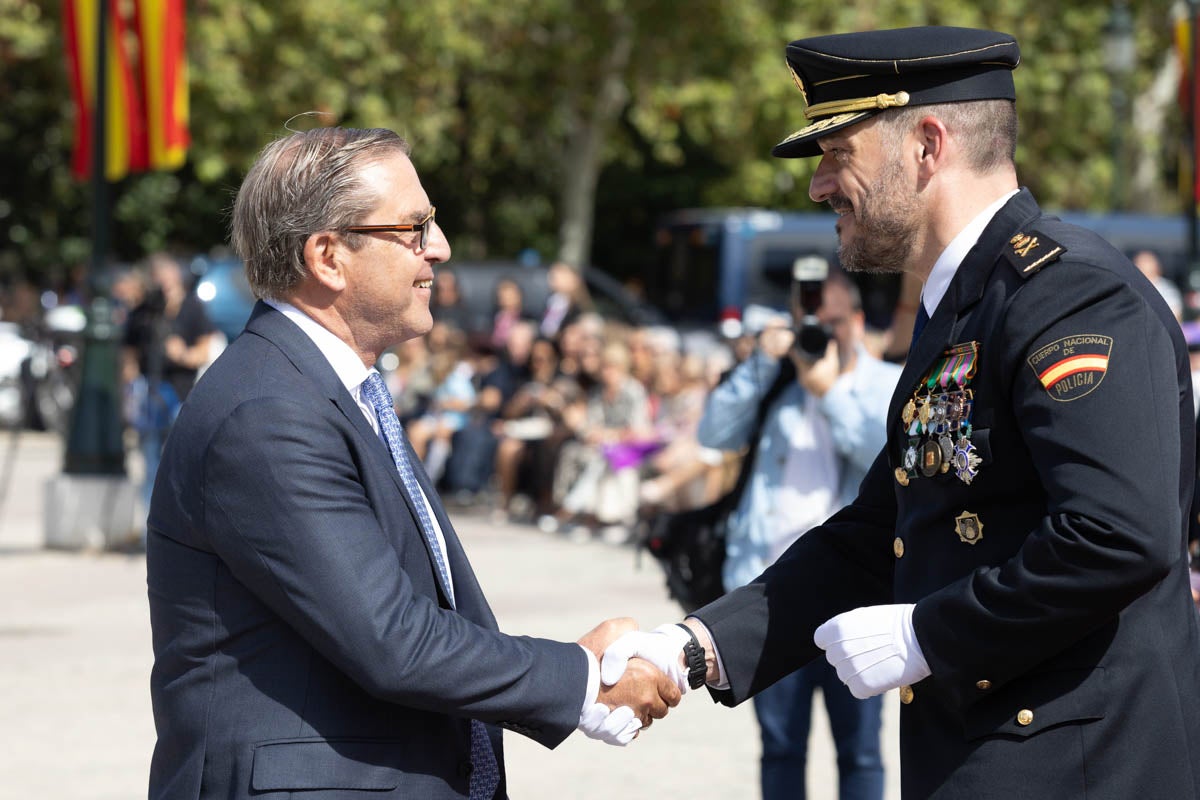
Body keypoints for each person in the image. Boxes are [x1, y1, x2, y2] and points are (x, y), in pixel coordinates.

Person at [600, 26, 1200, 799]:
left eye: (837, 154)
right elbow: (873, 534)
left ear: (926, 144)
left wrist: (927, 633)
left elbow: (1119, 535)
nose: (819, 186)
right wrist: (691, 647)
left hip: (1079, 769)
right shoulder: (959, 307)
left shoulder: (1068, 294)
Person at [145, 127, 680, 800]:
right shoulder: (267, 411)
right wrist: (581, 675)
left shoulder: (324, 389)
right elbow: (392, 639)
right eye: (414, 227)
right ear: (329, 257)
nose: (440, 248)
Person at [693, 271, 899, 800]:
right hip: (773, 592)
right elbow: (712, 433)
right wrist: (763, 361)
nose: (819, 337)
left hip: (855, 599)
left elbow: (893, 461)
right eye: (809, 325)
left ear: (855, 322)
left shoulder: (885, 384)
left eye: (830, 324)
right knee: (781, 746)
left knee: (860, 750)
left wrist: (828, 391)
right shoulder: (779, 381)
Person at [122, 253, 216, 516]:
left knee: (180, 463)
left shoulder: (193, 307)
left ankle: (180, 520)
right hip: (149, 394)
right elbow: (128, 352)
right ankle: (150, 526)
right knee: (150, 462)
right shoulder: (144, 312)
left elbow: (204, 351)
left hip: (180, 394)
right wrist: (130, 387)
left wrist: (182, 355)